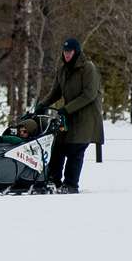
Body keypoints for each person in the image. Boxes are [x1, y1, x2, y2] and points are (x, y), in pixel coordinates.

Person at [35, 38, 104, 194]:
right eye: (65, 52)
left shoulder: (88, 68)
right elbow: (55, 92)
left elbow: (89, 95)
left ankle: (71, 185)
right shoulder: (63, 70)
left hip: (87, 117)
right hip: (69, 115)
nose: (67, 55)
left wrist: (66, 109)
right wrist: (42, 105)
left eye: (70, 52)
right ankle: (54, 181)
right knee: (57, 145)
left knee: (75, 148)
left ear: (76, 52)